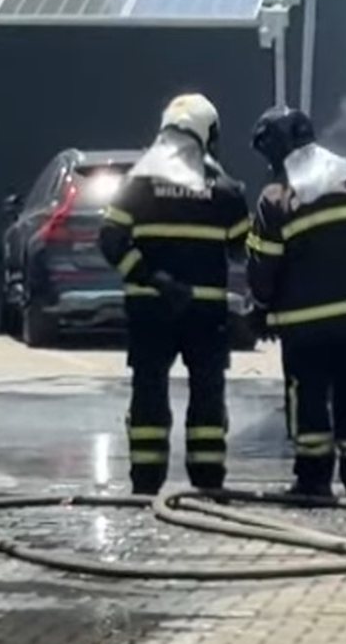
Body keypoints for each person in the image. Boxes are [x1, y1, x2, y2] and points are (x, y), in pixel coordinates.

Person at [100, 93, 249, 495]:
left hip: (150, 308)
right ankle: (208, 481)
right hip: (206, 313)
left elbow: (111, 240)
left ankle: (146, 483)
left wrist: (152, 278)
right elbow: (243, 247)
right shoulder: (224, 188)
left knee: (149, 390)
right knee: (208, 393)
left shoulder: (137, 183)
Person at [247, 106, 346, 499]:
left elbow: (263, 267)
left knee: (308, 401)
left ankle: (313, 482)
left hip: (304, 327)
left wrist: (260, 309)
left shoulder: (276, 197)